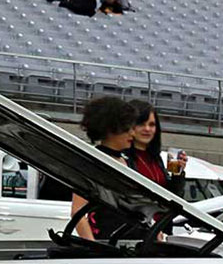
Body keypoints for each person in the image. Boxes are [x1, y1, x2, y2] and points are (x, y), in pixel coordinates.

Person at [72, 95, 141, 240]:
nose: (133, 134)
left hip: (134, 244)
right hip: (107, 246)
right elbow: (77, 212)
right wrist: (93, 248)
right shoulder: (92, 162)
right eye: (127, 129)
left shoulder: (128, 160)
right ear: (111, 128)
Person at [122, 101, 186, 195]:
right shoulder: (122, 158)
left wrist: (177, 174)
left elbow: (173, 196)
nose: (147, 129)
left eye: (151, 125)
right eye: (141, 124)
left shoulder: (155, 157)